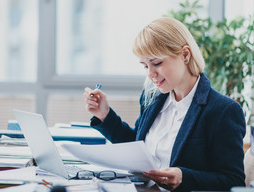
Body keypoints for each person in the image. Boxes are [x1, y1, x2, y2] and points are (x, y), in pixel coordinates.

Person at [84, 17, 246, 191]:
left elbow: (233, 181)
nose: (151, 74)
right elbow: (137, 149)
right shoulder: (152, 97)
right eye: (145, 66)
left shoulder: (223, 110)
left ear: (185, 54)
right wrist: (104, 114)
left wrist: (184, 177)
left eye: (157, 63)